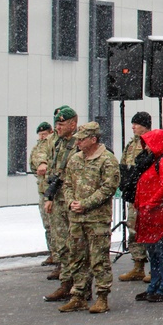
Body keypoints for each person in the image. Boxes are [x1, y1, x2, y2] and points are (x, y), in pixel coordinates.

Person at [57, 122, 120, 314]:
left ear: (93, 139)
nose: (78, 142)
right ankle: (79, 295)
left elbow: (108, 188)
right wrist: (71, 202)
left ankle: (102, 296)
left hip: (96, 218)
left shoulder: (107, 160)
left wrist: (86, 203)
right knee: (77, 257)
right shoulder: (75, 159)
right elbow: (67, 183)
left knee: (99, 258)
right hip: (76, 218)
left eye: (82, 139)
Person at [134, 129, 163, 303]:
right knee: (155, 252)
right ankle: (156, 286)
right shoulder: (157, 160)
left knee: (162, 251)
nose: (147, 148)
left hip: (160, 216)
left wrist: (150, 203)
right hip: (151, 216)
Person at [42, 106, 79, 302]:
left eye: (61, 123)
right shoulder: (57, 143)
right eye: (56, 123)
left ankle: (79, 286)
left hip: (72, 200)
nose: (58, 127)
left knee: (76, 245)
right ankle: (66, 284)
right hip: (58, 198)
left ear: (73, 124)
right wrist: (49, 196)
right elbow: (53, 170)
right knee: (62, 244)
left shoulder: (79, 143)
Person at [118, 112, 152, 283]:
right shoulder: (131, 144)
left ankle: (155, 268)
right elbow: (124, 165)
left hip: (148, 194)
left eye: (136, 124)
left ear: (145, 125)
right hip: (134, 193)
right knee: (133, 227)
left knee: (151, 231)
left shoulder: (152, 142)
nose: (133, 127)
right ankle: (138, 265)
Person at [30, 122, 55, 265]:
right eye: (40, 135)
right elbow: (34, 163)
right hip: (42, 188)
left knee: (54, 224)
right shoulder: (38, 146)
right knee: (47, 224)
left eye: (44, 134)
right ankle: (52, 252)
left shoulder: (50, 144)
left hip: (50, 189)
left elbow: (43, 161)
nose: (42, 137)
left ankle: (58, 255)